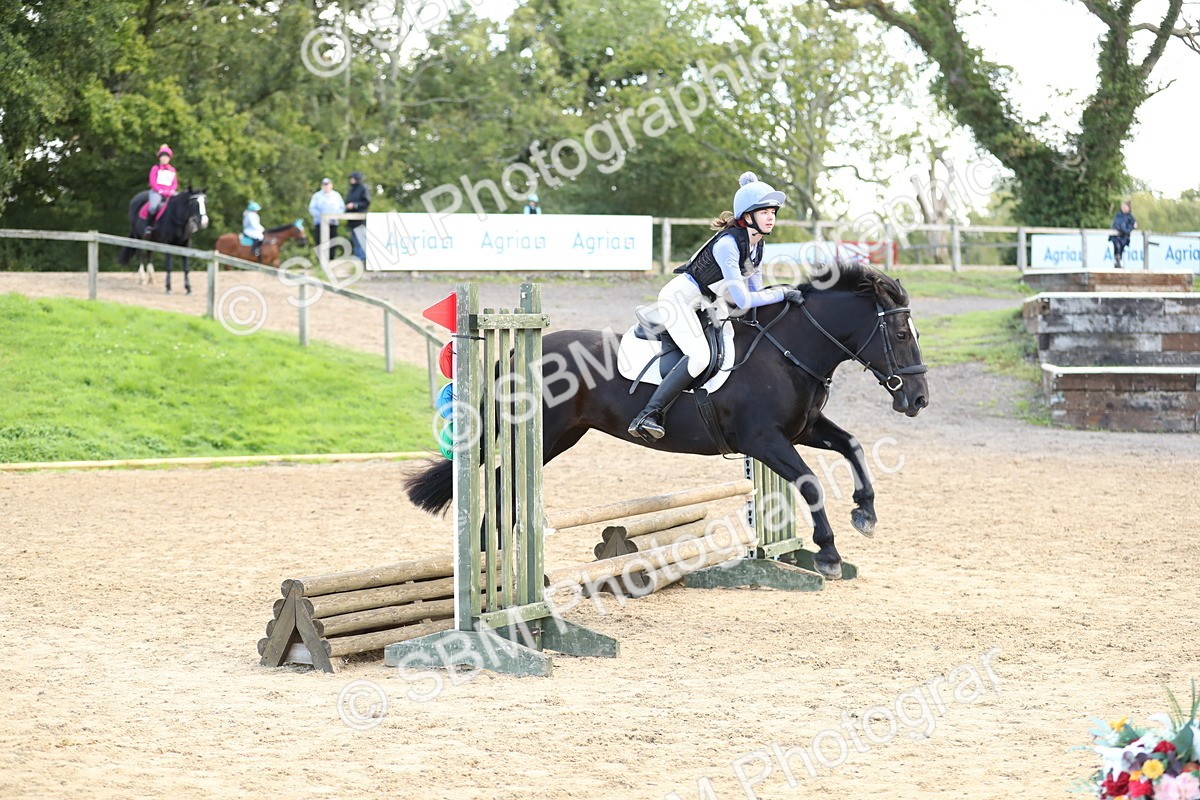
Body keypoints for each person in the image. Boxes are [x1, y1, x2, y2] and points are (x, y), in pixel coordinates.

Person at [627, 172, 800, 442]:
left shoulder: (758, 247)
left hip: (710, 304)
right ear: (747, 216)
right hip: (681, 300)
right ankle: (649, 414)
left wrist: (781, 296)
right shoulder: (728, 245)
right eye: (764, 212)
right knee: (700, 357)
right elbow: (742, 300)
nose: (770, 217)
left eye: (772, 212)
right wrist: (782, 293)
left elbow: (755, 293)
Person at [144, 144, 179, 237]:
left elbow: (175, 183)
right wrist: (160, 191)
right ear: (159, 158)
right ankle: (149, 226)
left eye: (166, 157)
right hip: (157, 192)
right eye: (162, 157)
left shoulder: (172, 170)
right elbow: (152, 181)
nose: (164, 159)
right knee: (153, 207)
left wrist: (172, 191)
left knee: (181, 202)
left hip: (170, 193)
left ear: (169, 159)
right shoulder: (155, 168)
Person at [308, 177, 346, 248]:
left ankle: (331, 258)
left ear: (331, 185)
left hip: (333, 223)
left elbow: (342, 208)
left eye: (327, 184)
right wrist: (321, 217)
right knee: (320, 242)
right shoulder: (317, 196)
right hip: (320, 223)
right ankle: (320, 258)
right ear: (321, 186)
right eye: (324, 184)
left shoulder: (336, 195)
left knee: (333, 242)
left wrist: (336, 216)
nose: (326, 186)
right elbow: (312, 208)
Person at [345, 171, 371, 262]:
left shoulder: (363, 188)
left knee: (361, 241)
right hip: (352, 220)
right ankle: (358, 260)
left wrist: (355, 205)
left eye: (352, 178)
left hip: (360, 220)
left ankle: (363, 260)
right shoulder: (351, 189)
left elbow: (367, 202)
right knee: (355, 241)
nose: (351, 180)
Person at [1109, 201, 1136, 268]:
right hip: (1116, 236)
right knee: (1117, 247)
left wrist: (1124, 229)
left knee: (1121, 248)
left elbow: (1128, 229)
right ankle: (1117, 261)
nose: (1123, 208)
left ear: (1129, 208)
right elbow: (1115, 225)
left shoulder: (1130, 217)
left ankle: (1119, 262)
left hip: (1124, 238)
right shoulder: (1118, 215)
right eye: (1122, 207)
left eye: (1125, 207)